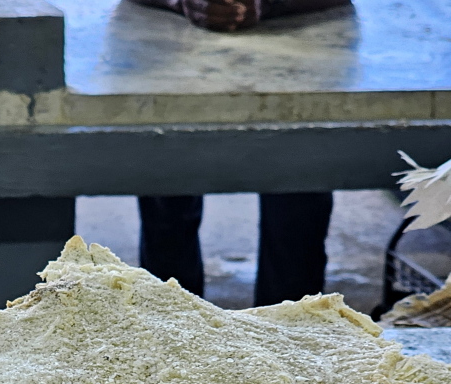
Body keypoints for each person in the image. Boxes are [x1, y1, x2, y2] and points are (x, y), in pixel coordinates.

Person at [133, 0, 351, 305]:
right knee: (168, 188)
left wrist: (269, 5)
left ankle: (290, 336)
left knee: (297, 194)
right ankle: (170, 327)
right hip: (169, 53)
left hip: (301, 56)